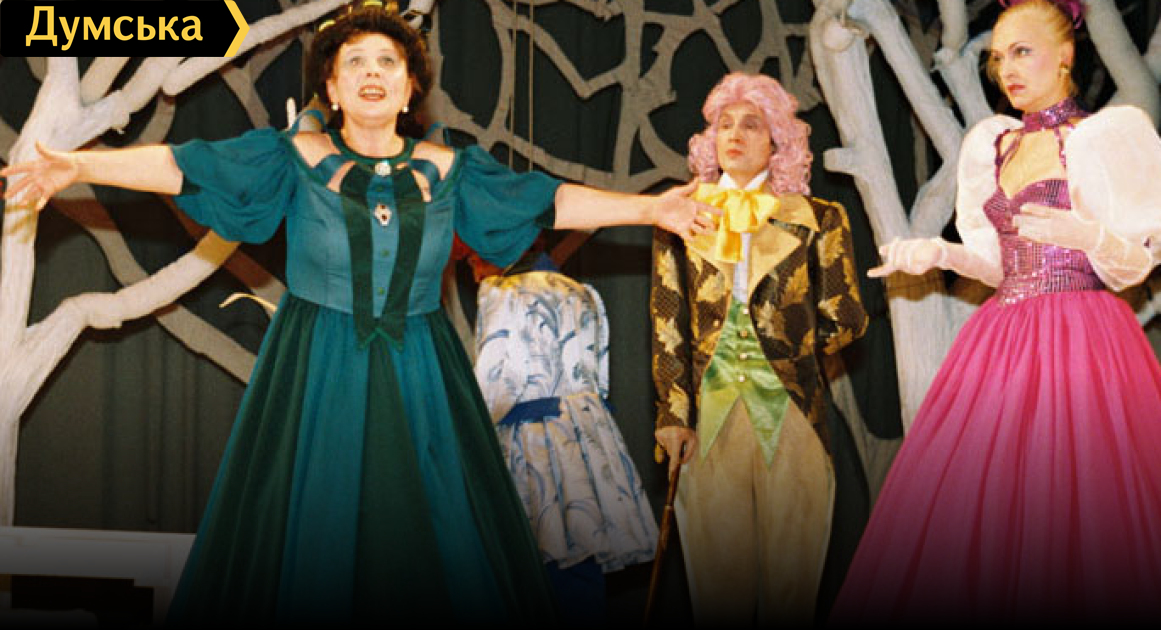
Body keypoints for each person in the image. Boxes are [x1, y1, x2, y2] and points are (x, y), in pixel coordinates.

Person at [0, 1, 717, 626]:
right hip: (316, 371)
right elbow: (187, 166)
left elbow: (549, 201)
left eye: (387, 62)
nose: (372, 73)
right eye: (355, 63)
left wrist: (651, 208)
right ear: (332, 86)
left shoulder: (453, 170)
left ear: (410, 88)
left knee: (439, 546)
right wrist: (81, 165)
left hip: (422, 376)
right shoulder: (291, 157)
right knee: (308, 544)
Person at [829, 0, 1161, 624]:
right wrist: (941, 252)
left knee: (1085, 507)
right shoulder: (993, 144)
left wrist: (1092, 237)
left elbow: (1139, 261)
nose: (1007, 70)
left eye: (1022, 52)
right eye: (999, 58)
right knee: (982, 507)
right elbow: (997, 265)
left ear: (1066, 54)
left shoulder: (1102, 137)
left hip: (1083, 335)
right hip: (1003, 337)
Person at [650, 72, 869, 627]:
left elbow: (847, 317)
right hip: (708, 420)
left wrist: (792, 353)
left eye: (751, 124)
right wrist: (673, 414)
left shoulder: (819, 218)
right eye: (724, 124)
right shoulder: (681, 214)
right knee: (716, 590)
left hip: (793, 416)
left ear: (778, 141)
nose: (735, 134)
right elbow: (667, 322)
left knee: (791, 589)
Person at [459, 237, 658, 628]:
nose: (472, 268)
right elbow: (599, 377)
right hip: (585, 439)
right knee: (580, 551)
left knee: (537, 560)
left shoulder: (502, 294)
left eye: (472, 259)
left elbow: (496, 384)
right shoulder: (582, 292)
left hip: (532, 441)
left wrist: (471, 432)